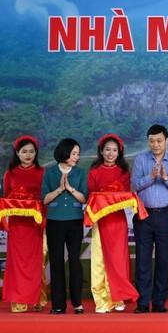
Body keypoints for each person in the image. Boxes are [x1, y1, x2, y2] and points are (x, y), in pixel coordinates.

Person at [131, 124, 168, 313]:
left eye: (159, 141)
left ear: (166, 141)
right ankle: (143, 302)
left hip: (165, 215)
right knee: (143, 260)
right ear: (148, 141)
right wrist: (151, 177)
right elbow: (135, 185)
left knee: (164, 259)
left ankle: (160, 302)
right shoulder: (140, 160)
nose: (155, 145)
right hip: (143, 215)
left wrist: (166, 177)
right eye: (152, 141)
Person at [87, 134, 139, 313]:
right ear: (101, 151)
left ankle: (118, 298)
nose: (110, 153)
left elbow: (124, 196)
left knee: (118, 259)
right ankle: (102, 300)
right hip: (100, 220)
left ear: (119, 152)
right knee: (100, 259)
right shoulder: (94, 172)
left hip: (117, 221)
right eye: (107, 150)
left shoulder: (123, 171)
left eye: (114, 150)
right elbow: (90, 197)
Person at [42, 138, 88, 314]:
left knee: (75, 261)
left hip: (75, 221)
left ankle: (77, 303)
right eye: (74, 153)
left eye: (77, 154)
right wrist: (59, 190)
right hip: (54, 221)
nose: (76, 157)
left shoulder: (80, 173)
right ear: (65, 152)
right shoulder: (50, 173)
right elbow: (44, 199)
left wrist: (70, 188)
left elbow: (84, 198)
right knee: (56, 261)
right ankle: (58, 305)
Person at [1, 136, 47, 313]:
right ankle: (19, 300)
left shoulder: (42, 172)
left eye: (31, 151)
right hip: (17, 225)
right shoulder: (10, 173)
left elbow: (46, 198)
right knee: (17, 262)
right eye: (24, 151)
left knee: (36, 262)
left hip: (36, 225)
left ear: (36, 153)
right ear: (17, 153)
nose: (28, 155)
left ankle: (37, 298)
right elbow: (6, 197)